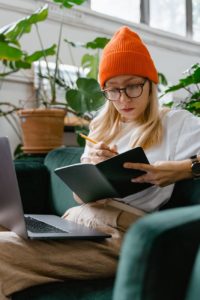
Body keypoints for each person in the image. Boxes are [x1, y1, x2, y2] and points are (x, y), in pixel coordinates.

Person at [0, 26, 200, 299]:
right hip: (75, 222)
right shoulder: (100, 126)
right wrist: (91, 171)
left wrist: (181, 170)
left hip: (120, 234)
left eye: (132, 86)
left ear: (150, 83)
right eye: (113, 89)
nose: (123, 99)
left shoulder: (176, 123)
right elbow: (79, 198)